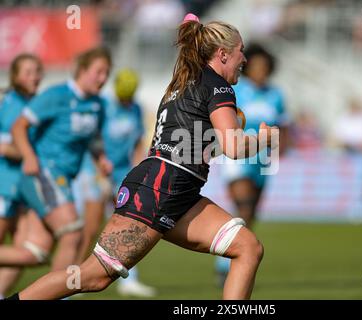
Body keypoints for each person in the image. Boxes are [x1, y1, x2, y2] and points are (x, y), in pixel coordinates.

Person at [7, 13, 278, 300]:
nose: (244, 59)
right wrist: (262, 138)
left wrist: (224, 137)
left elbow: (200, 145)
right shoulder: (219, 86)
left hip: (172, 188)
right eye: (241, 51)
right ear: (223, 54)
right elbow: (234, 148)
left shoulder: (183, 83)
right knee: (93, 276)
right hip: (162, 188)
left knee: (247, 247)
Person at [2, 48, 112, 277]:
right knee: (73, 233)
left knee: (35, 253)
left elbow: (93, 140)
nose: (103, 79)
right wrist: (30, 157)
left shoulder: (98, 105)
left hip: (63, 180)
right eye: (98, 72)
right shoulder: (56, 95)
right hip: (42, 173)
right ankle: (59, 292)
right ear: (82, 70)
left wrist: (101, 158)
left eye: (107, 73)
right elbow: (18, 127)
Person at [73, 68, 156, 297]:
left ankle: (130, 280)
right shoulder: (104, 107)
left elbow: (138, 140)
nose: (126, 100)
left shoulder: (137, 109)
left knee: (129, 224)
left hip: (123, 174)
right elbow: (91, 140)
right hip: (97, 172)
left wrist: (139, 168)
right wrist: (99, 167)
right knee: (90, 229)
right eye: (124, 96)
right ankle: (72, 280)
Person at [217, 43, 289, 283]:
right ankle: (226, 263)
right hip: (237, 155)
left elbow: (283, 125)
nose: (261, 71)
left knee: (251, 213)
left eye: (264, 67)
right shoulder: (238, 90)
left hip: (263, 159)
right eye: (256, 67)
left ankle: (230, 256)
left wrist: (283, 147)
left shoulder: (276, 95)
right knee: (244, 208)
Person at [0, 54, 52, 298]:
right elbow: (6, 147)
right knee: (27, 253)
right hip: (5, 187)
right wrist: (34, 156)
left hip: (21, 189)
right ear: (16, 76)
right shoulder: (13, 105)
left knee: (29, 253)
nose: (35, 76)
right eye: (28, 72)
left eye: (37, 71)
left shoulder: (33, 103)